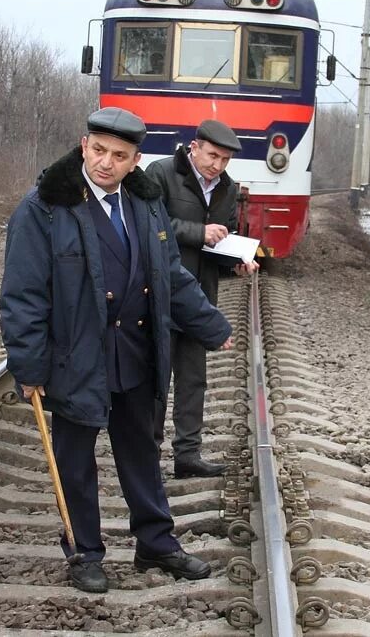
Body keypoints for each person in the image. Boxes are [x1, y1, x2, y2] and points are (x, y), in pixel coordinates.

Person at [0, 106, 234, 594]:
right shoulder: (44, 207)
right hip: (75, 355)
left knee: (141, 451)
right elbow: (23, 295)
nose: (106, 163)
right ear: (84, 145)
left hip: (135, 350)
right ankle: (84, 550)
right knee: (75, 458)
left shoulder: (145, 204)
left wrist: (210, 324)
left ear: (135, 160)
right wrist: (28, 365)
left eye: (119, 155)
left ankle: (156, 542)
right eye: (99, 150)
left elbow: (169, 274)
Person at [146, 119, 259, 479]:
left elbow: (219, 241)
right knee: (154, 380)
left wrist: (235, 263)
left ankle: (188, 455)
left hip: (200, 297)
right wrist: (199, 232)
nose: (218, 165)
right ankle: (147, 456)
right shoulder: (160, 173)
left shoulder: (225, 188)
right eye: (213, 156)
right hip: (160, 294)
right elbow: (149, 226)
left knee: (194, 378)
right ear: (194, 147)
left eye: (225, 160)